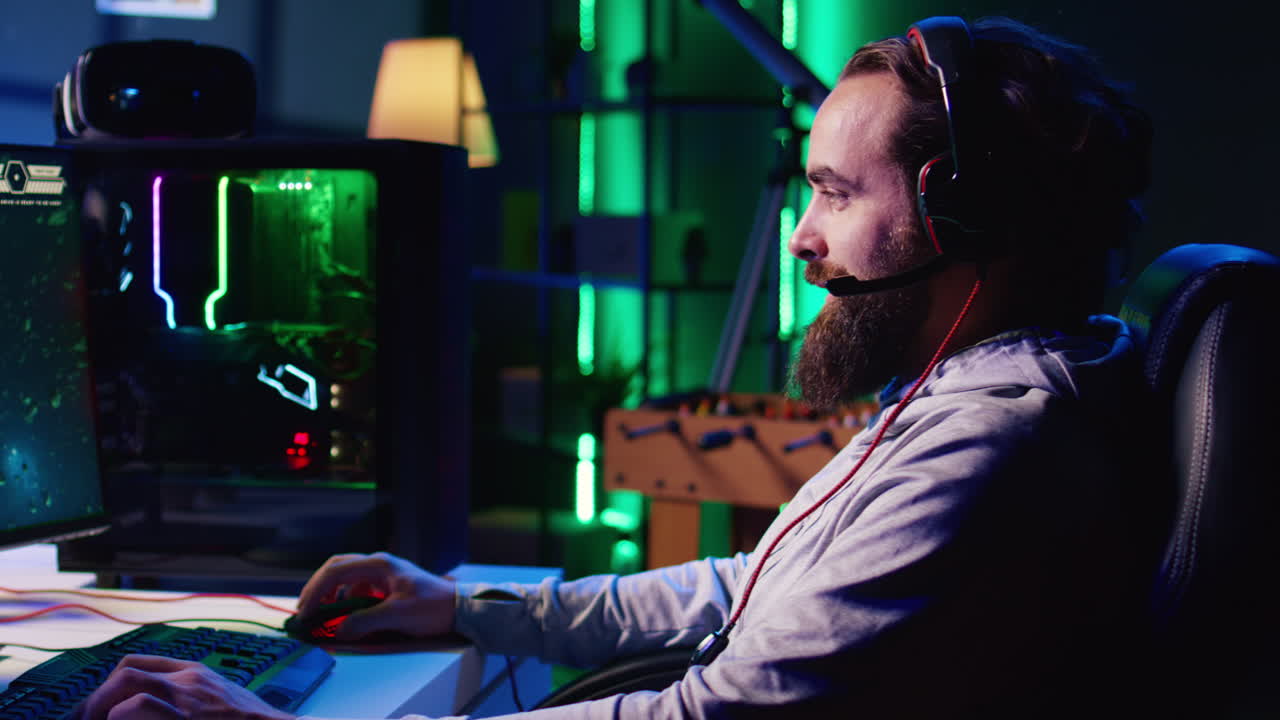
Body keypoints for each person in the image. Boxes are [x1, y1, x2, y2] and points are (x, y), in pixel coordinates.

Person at [74, 15, 1158, 720]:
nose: (797, 237)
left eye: (833, 194)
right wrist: (468, 605)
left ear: (956, 214)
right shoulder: (962, 392)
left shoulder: (990, 446)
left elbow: (710, 714)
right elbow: (751, 588)